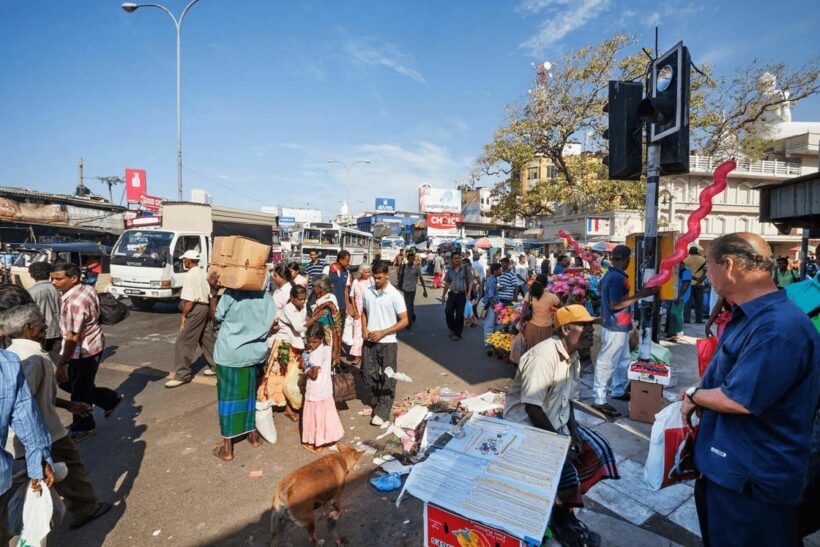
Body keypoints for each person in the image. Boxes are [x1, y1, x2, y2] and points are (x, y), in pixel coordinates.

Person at [682, 232, 819, 546]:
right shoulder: (750, 317)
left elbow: (738, 398)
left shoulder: (777, 328)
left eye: (709, 267)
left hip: (751, 482)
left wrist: (694, 396)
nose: (707, 276)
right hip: (729, 471)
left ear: (728, 265)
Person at [504, 305, 618, 547]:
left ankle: (564, 514)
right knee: (562, 468)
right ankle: (558, 518)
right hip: (525, 430)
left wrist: (574, 433)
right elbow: (532, 409)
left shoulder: (573, 357)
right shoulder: (544, 357)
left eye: (591, 326)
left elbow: (568, 401)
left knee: (595, 449)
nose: (590, 331)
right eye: (584, 326)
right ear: (566, 329)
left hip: (551, 423)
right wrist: (560, 444)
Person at [3, 304, 112, 529]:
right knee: (71, 470)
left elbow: (32, 395)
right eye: (40, 322)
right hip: (43, 432)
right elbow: (23, 403)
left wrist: (69, 404)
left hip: (31, 434)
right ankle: (85, 509)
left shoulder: (15, 353)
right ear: (28, 328)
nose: (45, 325)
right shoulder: (31, 357)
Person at [209, 269, 276, 461]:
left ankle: (228, 449)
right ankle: (253, 437)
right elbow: (272, 323)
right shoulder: (267, 297)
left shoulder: (232, 295)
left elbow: (216, 318)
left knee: (228, 399)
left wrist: (213, 293)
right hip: (254, 355)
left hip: (230, 355)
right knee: (249, 396)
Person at [52, 261, 122, 442]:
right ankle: (109, 399)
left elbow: (72, 337)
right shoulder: (87, 288)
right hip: (94, 343)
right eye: (52, 278)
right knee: (75, 385)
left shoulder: (75, 302)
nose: (53, 282)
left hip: (83, 351)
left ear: (73, 278)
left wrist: (63, 363)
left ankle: (84, 426)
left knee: (77, 390)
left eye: (58, 279)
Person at [592, 246, 656, 418]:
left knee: (623, 360)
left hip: (618, 324)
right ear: (626, 259)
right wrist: (640, 295)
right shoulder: (617, 277)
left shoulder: (611, 274)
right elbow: (615, 305)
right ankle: (599, 400)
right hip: (615, 326)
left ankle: (618, 390)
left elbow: (599, 288)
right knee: (607, 362)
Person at [361, 261, 408, 426]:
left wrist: (383, 332)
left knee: (388, 377)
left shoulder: (395, 295)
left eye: (380, 277)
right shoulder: (368, 292)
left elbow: (404, 321)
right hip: (369, 341)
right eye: (374, 277)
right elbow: (364, 312)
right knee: (367, 373)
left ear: (387, 275)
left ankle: (383, 411)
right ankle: (379, 397)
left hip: (388, 342)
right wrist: (363, 328)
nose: (377, 280)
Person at [166, 250, 216, 388]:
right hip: (205, 306)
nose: (183, 261)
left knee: (183, 341)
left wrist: (184, 316)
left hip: (196, 308)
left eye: (185, 259)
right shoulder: (202, 272)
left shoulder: (190, 275)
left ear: (188, 260)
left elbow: (189, 300)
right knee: (206, 338)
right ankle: (218, 366)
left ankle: (182, 374)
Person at [264, 285, 308, 422]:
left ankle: (289, 405)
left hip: (297, 346)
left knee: (292, 378)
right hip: (284, 346)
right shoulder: (288, 308)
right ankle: (275, 405)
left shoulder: (303, 306)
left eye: (304, 299)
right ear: (292, 299)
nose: (302, 302)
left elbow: (302, 328)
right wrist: (315, 318)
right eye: (299, 299)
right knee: (278, 377)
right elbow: (299, 326)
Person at [300, 324, 344, 453]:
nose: (311, 345)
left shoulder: (315, 355)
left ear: (321, 339)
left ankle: (317, 444)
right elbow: (332, 331)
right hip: (325, 389)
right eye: (309, 342)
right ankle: (328, 437)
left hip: (315, 390)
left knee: (314, 418)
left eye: (314, 342)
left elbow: (313, 376)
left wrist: (305, 367)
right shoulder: (326, 347)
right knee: (325, 416)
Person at [27, 262, 62, 360]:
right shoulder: (58, 289)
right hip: (59, 330)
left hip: (41, 331)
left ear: (31, 275)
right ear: (49, 273)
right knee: (57, 359)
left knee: (42, 359)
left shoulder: (31, 292)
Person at [306, 275, 343, 365]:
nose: (313, 288)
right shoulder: (317, 298)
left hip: (326, 341)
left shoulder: (329, 302)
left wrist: (335, 350)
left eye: (315, 286)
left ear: (321, 288)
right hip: (316, 338)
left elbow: (334, 328)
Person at [521, 275, 561, 351]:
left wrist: (520, 324)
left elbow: (523, 312)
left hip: (531, 328)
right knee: (544, 351)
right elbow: (560, 307)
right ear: (546, 284)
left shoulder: (529, 294)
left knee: (531, 351)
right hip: (545, 328)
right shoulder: (552, 297)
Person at [441, 249, 473, 341]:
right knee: (448, 312)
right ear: (451, 260)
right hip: (452, 295)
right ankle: (451, 328)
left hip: (462, 295)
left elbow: (471, 281)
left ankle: (457, 334)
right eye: (455, 258)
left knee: (459, 315)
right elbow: (447, 283)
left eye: (458, 258)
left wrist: (469, 292)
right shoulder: (450, 270)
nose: (457, 260)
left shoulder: (465, 269)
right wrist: (443, 296)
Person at [349, 266, 374, 365]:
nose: (368, 274)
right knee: (357, 333)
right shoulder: (356, 282)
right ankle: (357, 356)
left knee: (369, 331)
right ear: (361, 272)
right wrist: (354, 311)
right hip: (359, 311)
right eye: (366, 272)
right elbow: (352, 297)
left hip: (370, 310)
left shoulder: (372, 281)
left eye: (369, 272)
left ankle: (367, 355)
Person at [398, 252, 427, 329]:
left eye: (413, 259)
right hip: (405, 288)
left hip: (412, 289)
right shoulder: (404, 267)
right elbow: (400, 276)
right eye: (410, 258)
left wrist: (424, 289)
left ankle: (409, 322)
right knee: (408, 304)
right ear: (407, 259)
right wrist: (399, 285)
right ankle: (412, 315)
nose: (411, 260)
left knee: (409, 305)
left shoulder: (417, 268)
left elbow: (421, 278)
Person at [666, 263, 692, 342]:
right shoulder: (680, 270)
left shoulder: (686, 271)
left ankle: (676, 333)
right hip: (676, 295)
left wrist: (679, 296)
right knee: (674, 313)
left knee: (675, 313)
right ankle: (673, 332)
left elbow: (685, 285)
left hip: (681, 296)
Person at [683, 246, 707, 323]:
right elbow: (706, 271)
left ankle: (686, 319)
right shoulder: (703, 260)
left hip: (689, 283)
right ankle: (699, 319)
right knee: (699, 302)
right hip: (700, 284)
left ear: (690, 252)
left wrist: (694, 278)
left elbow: (684, 271)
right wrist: (699, 281)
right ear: (697, 252)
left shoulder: (686, 260)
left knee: (688, 302)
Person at [326, 250, 352, 319]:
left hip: (342, 307)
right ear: (340, 260)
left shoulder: (347, 272)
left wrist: (347, 307)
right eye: (347, 261)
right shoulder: (327, 270)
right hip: (329, 307)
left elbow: (346, 292)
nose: (348, 263)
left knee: (341, 329)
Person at [482, 263, 501, 356]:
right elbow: (491, 296)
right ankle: (488, 344)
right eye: (500, 270)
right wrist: (495, 309)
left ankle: (493, 343)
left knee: (494, 324)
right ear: (495, 271)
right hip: (491, 306)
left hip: (494, 305)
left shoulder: (494, 280)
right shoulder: (491, 280)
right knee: (489, 325)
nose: (501, 271)